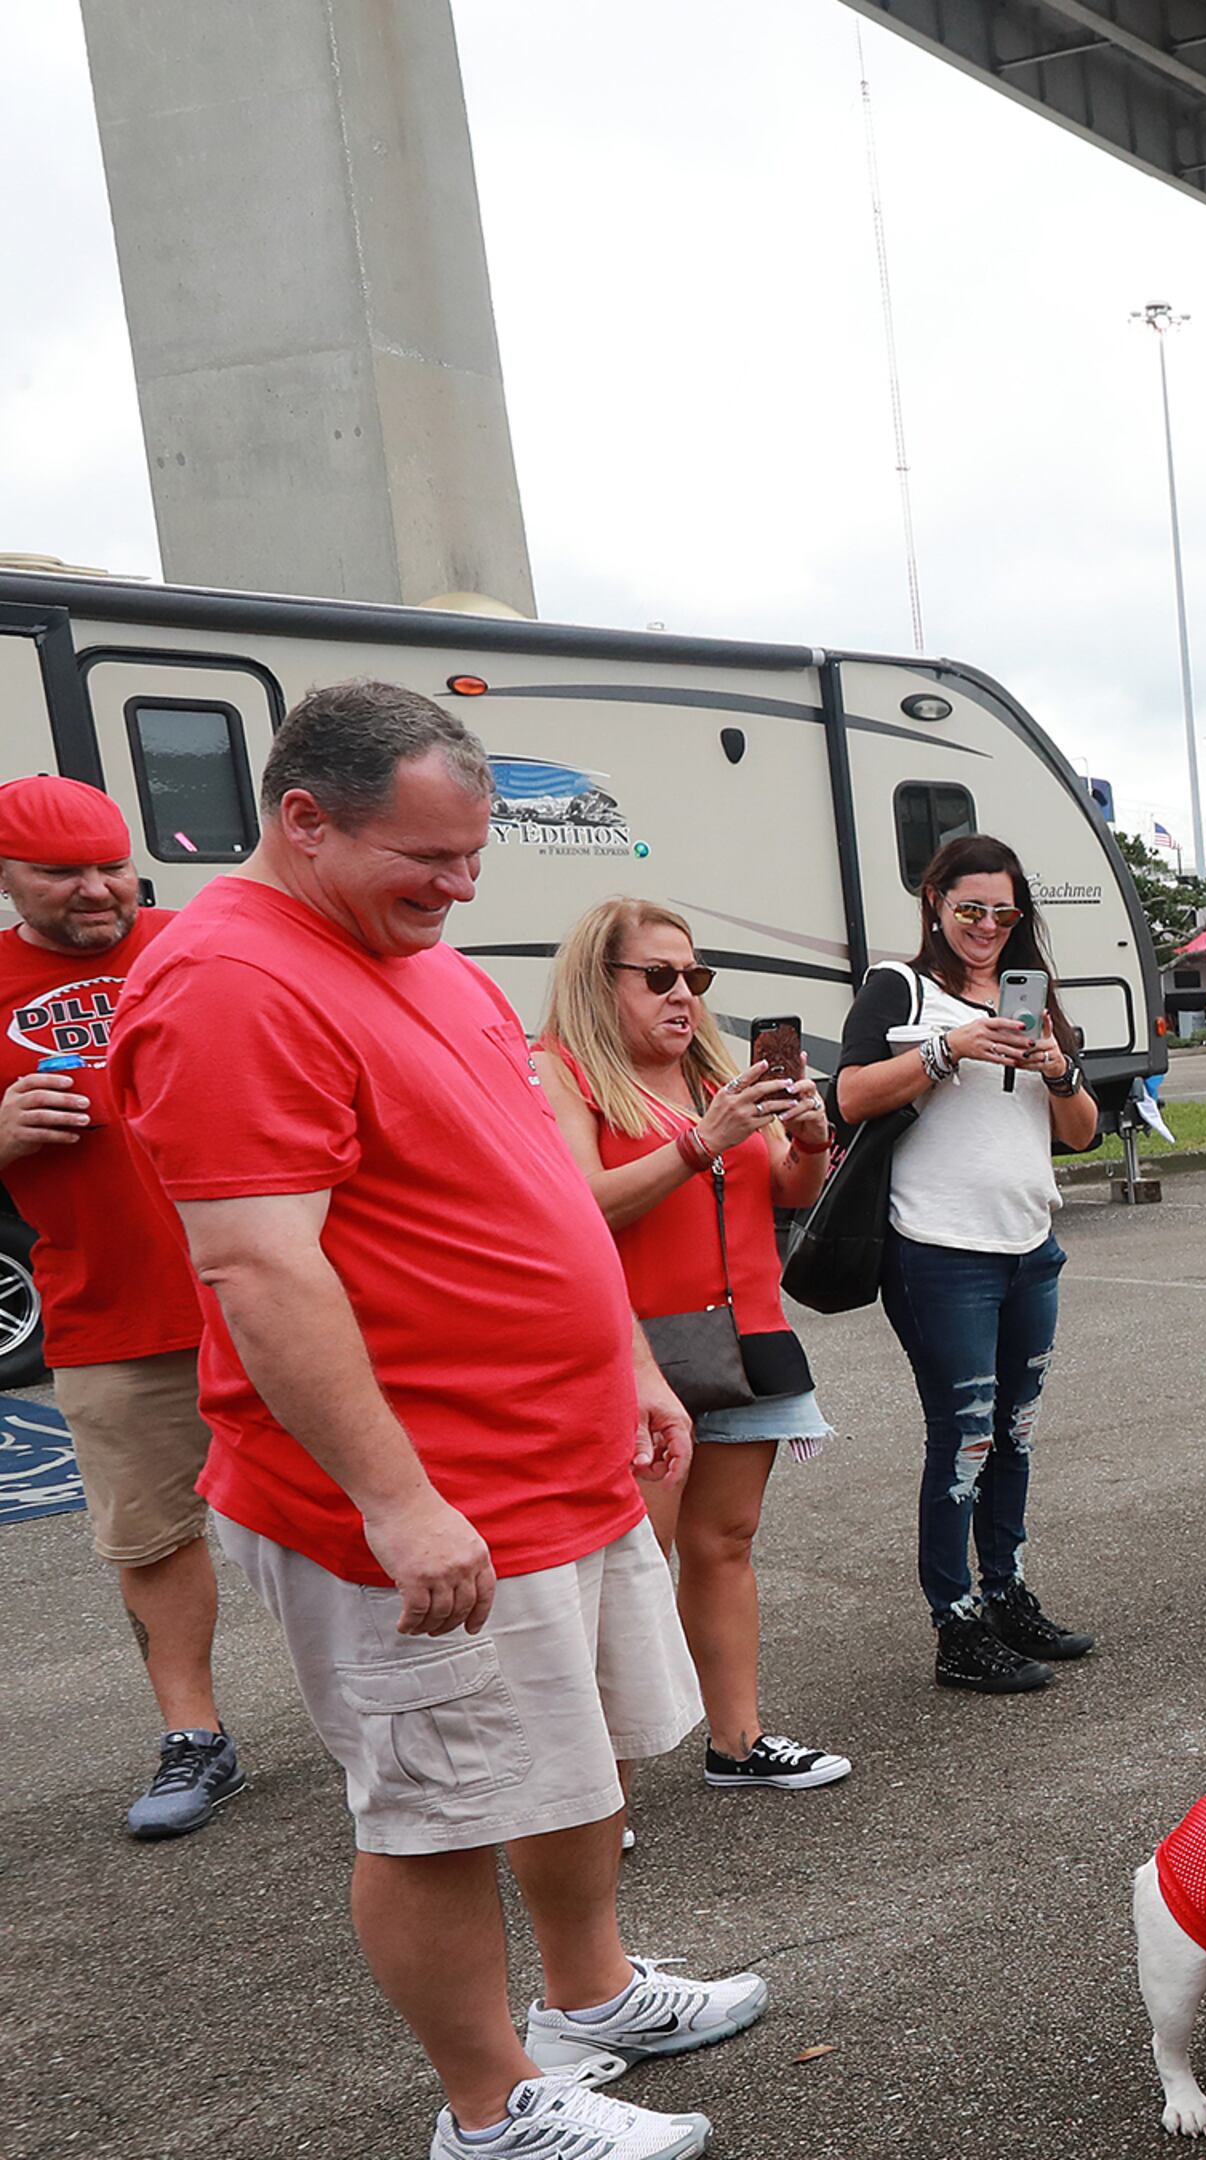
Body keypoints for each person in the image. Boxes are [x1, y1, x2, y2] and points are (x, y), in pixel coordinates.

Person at [111, 680, 763, 2160]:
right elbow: (257, 1265)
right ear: (302, 821)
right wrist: (397, 1500)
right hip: (423, 1493)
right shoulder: (231, 983)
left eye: (471, 859)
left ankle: (590, 1998)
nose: (460, 889)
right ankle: (490, 2105)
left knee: (566, 1761)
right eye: (427, 862)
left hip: (556, 1462)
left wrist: (631, 1370)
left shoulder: (421, 958)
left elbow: (526, 1190)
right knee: (439, 1809)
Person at [537, 896, 851, 1794]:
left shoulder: (716, 1076)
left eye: (696, 977)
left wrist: (812, 1142)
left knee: (726, 1542)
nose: (684, 995)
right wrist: (697, 1144)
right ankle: (599, 1790)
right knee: (632, 1563)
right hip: (638, 1352)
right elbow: (579, 1207)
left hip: (746, 1335)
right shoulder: (561, 1072)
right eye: (659, 977)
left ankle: (739, 1741)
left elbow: (778, 1195)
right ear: (601, 982)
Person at [0, 775, 247, 1839]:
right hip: (108, 1310)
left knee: (359, 1510)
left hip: (276, 1295)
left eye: (111, 864)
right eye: (62, 874)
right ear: (8, 877)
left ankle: (403, 1711)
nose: (97, 890)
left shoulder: (204, 941)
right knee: (149, 1538)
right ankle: (196, 1735)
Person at [835, 832, 1101, 1693]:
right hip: (939, 1251)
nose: (988, 926)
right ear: (935, 905)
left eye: (1004, 912)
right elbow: (847, 1095)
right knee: (965, 1438)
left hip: (1031, 1247)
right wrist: (949, 1049)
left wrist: (1058, 1070)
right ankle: (956, 1627)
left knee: (1014, 1436)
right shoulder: (898, 985)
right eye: (970, 909)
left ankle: (1007, 1592)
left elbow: (1081, 1133)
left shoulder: (1036, 996)